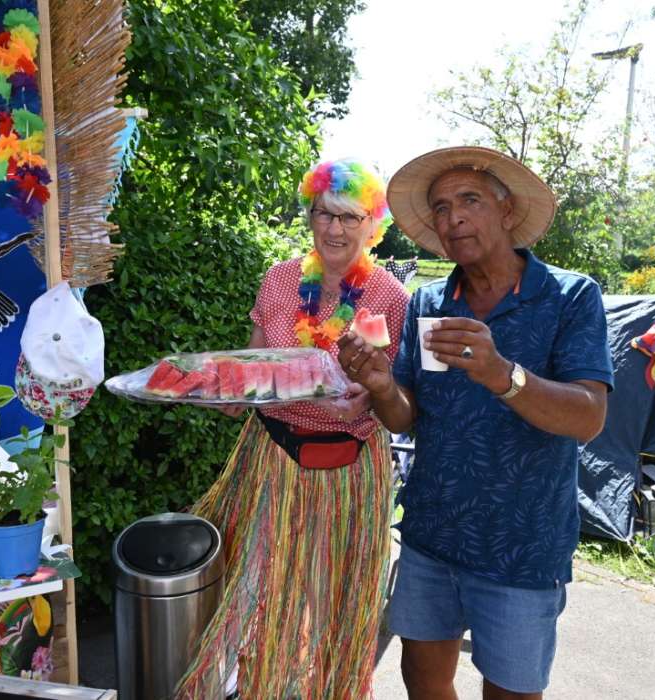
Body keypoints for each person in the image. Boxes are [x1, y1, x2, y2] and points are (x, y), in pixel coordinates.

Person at [338, 146, 613, 700]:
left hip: (522, 545)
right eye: (441, 208)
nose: (454, 217)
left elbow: (589, 417)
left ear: (507, 211)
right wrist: (382, 386)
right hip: (432, 534)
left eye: (470, 200)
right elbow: (407, 416)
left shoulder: (569, 297)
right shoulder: (429, 301)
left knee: (510, 692)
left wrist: (502, 375)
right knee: (423, 682)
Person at [176, 159, 410, 699]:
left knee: (331, 600)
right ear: (309, 216)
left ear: (372, 226)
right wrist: (227, 395)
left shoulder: (390, 298)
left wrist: (373, 399)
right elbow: (254, 365)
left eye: (350, 217)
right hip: (273, 459)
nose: (335, 229)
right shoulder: (280, 280)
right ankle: (258, 686)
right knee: (258, 591)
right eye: (324, 213)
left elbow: (398, 394)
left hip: (351, 468)